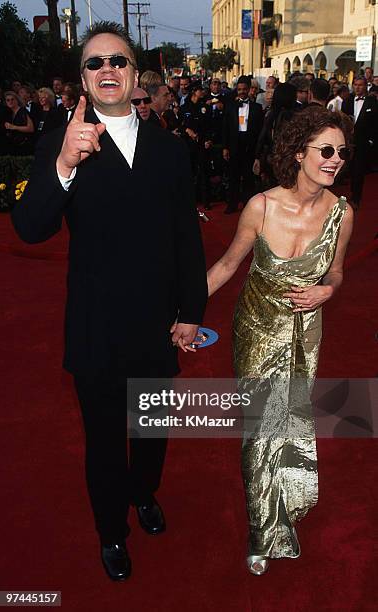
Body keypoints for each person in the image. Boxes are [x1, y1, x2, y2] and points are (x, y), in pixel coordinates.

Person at [11, 21, 207, 582]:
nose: (107, 71)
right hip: (96, 327)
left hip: (156, 325)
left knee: (150, 432)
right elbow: (29, 228)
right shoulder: (62, 140)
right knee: (103, 443)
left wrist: (191, 311)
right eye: (95, 64)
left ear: (135, 73)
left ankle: (143, 494)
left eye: (117, 61)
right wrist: (64, 167)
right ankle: (110, 532)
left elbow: (185, 240)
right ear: (82, 80)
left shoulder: (169, 151)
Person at [207, 106, 353, 575]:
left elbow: (337, 271)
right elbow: (229, 265)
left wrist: (327, 290)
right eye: (326, 150)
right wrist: (182, 312)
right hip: (256, 328)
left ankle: (285, 496)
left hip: (305, 332)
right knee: (260, 428)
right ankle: (262, 525)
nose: (335, 160)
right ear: (297, 153)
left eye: (342, 153)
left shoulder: (342, 214)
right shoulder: (262, 206)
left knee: (290, 420)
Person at [222, 76, 264, 214]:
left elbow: (260, 130)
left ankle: (248, 205)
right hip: (234, 144)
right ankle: (232, 204)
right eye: (239, 89)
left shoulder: (257, 108)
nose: (241, 92)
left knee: (248, 177)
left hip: (249, 145)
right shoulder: (230, 107)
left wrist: (258, 151)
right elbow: (225, 128)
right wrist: (225, 147)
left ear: (249, 89)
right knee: (233, 176)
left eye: (244, 89)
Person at [341, 76, 378, 207]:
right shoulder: (347, 101)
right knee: (346, 170)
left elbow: (376, 123)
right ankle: (344, 196)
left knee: (359, 170)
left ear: (366, 86)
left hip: (363, 142)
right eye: (355, 84)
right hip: (347, 142)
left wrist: (371, 141)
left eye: (360, 85)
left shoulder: (372, 102)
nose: (357, 87)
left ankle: (356, 198)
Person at [4, 90, 34, 155]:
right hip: (14, 146)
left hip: (25, 145)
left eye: (12, 99)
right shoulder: (9, 113)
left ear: (17, 100)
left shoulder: (23, 111)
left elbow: (31, 128)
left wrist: (14, 127)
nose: (10, 102)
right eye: (8, 100)